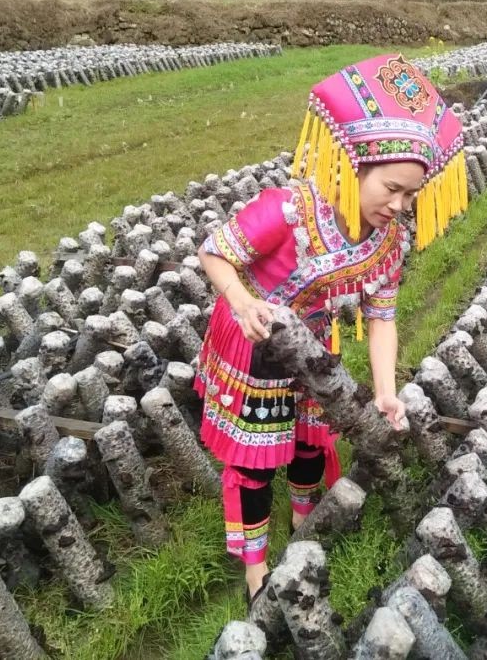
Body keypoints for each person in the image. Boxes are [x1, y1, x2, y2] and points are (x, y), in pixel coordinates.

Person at [194, 53, 468, 606]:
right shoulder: (289, 209)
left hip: (316, 348)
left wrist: (387, 392)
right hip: (255, 347)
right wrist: (245, 302)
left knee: (308, 445)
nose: (400, 205)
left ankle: (303, 527)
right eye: (391, 188)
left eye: (412, 195)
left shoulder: (387, 243)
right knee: (253, 463)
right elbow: (215, 252)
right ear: (355, 166)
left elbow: (382, 315)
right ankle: (255, 572)